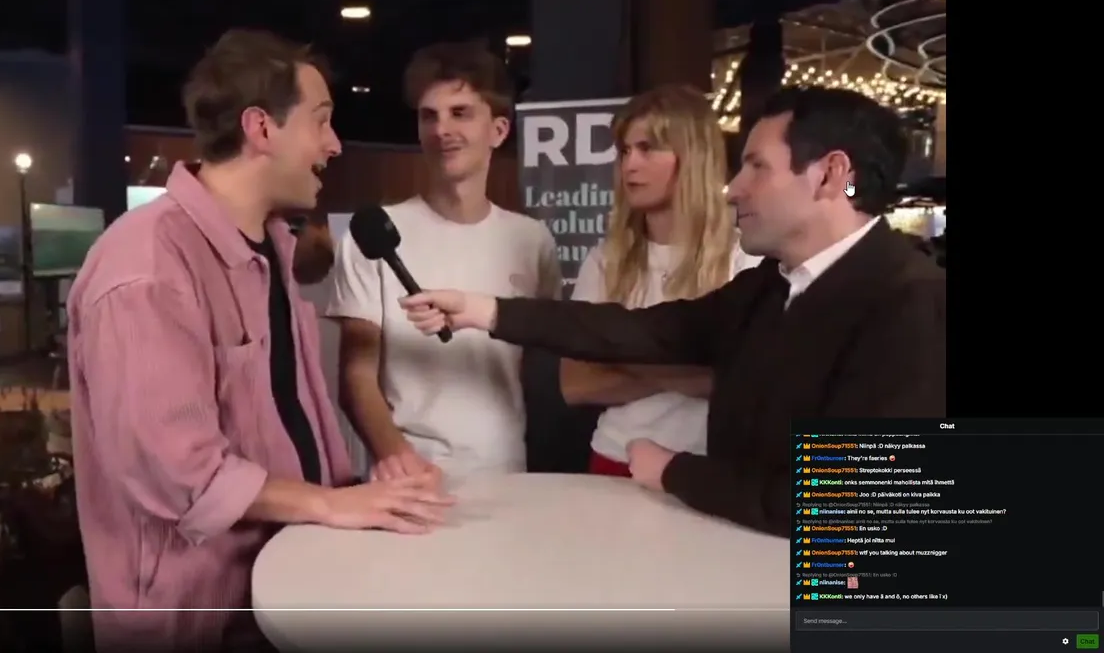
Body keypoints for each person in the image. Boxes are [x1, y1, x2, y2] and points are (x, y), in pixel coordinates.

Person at [400, 86, 946, 538]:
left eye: (756, 167)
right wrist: (485, 310)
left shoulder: (913, 303)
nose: (733, 189)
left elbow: (847, 507)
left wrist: (671, 469)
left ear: (831, 175)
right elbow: (644, 330)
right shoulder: (770, 285)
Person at [67, 29, 453, 652]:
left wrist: (351, 499)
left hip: (282, 581)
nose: (334, 144)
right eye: (321, 120)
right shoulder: (146, 267)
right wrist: (328, 506)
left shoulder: (271, 243)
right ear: (261, 128)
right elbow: (179, 474)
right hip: (196, 618)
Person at [326, 41, 560, 483]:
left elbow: (541, 372)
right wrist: (399, 459)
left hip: (508, 474)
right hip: (407, 481)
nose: (441, 129)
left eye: (460, 113)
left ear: (499, 130)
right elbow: (356, 375)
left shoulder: (532, 241)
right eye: (428, 116)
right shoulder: (373, 234)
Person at [562, 85, 761, 477]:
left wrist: (621, 358)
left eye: (647, 148)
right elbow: (576, 385)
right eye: (624, 151)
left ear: (692, 157)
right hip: (615, 460)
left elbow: (743, 382)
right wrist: (689, 370)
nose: (630, 165)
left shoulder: (745, 259)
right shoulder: (604, 261)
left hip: (708, 467)